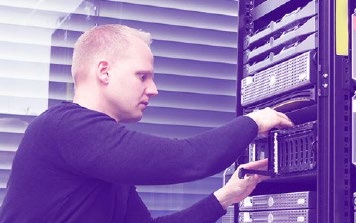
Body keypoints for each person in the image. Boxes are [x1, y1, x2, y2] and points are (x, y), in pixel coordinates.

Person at [0, 24, 293, 223]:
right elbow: (185, 159)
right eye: (143, 76)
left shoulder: (99, 154)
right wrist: (254, 121)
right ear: (104, 72)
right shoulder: (64, 128)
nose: (153, 89)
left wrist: (225, 197)